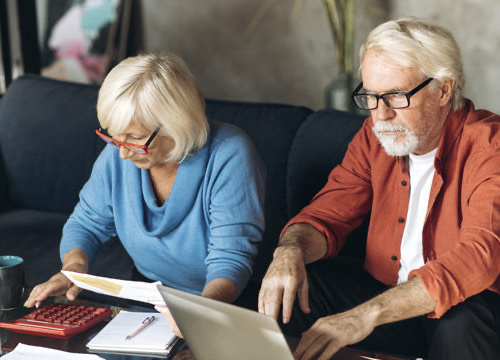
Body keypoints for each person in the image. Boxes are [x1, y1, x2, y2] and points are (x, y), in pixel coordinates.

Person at [258, 17, 500, 360]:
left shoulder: (490, 146)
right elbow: (327, 213)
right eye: (370, 97)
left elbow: (480, 257)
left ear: (443, 90)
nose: (380, 114)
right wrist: (289, 251)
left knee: (461, 320)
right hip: (391, 299)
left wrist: (365, 315)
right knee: (288, 289)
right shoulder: (375, 138)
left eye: (395, 97)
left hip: (468, 309)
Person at [24, 52, 266, 337]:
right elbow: (86, 223)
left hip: (221, 304)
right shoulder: (118, 154)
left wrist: (198, 315)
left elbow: (231, 261)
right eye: (114, 136)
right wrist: (73, 269)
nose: (123, 153)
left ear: (178, 122)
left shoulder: (230, 154)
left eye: (136, 138)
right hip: (147, 301)